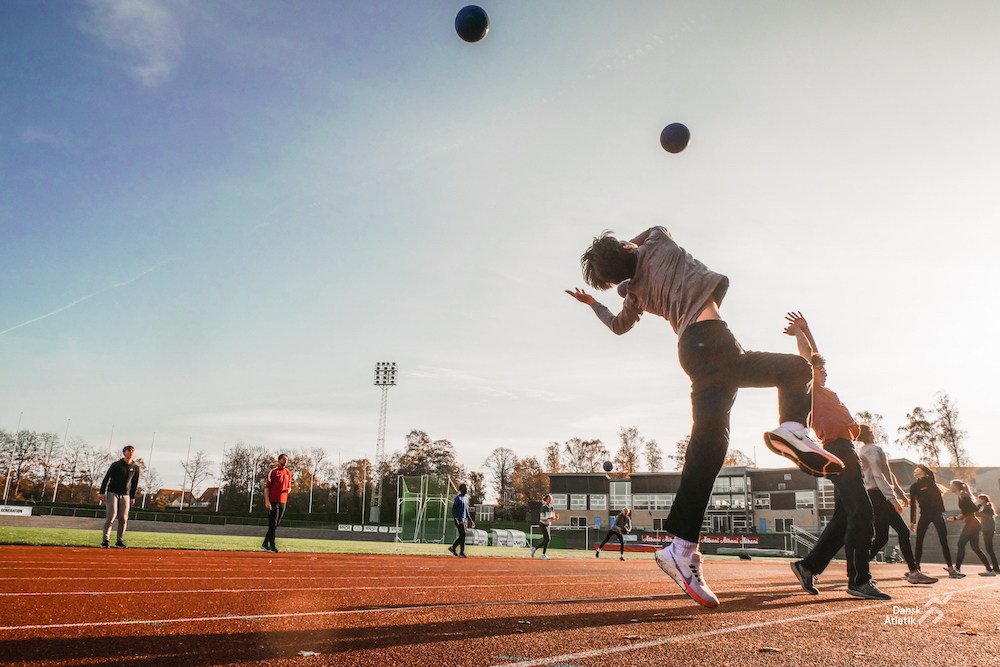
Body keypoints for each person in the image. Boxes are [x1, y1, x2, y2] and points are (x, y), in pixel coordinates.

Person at [567, 228, 842, 609]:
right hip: (711, 342)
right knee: (714, 440)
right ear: (628, 246)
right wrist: (625, 258)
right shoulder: (658, 243)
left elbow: (617, 325)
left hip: (711, 348)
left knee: (790, 374)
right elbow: (651, 229)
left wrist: (596, 302)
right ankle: (681, 547)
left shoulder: (634, 296)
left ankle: (793, 429)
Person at [783, 313, 889, 601]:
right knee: (863, 513)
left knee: (845, 517)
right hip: (838, 451)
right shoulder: (812, 390)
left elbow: (818, 360)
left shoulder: (826, 390)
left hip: (843, 451)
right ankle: (859, 581)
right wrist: (801, 332)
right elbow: (811, 359)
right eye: (820, 371)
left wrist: (807, 330)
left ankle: (808, 566)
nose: (825, 372)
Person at [858, 426, 937, 584]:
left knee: (881, 538)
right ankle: (914, 573)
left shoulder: (866, 450)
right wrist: (893, 499)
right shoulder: (872, 450)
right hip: (879, 495)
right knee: (903, 531)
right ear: (870, 433)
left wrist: (900, 493)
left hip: (876, 495)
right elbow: (879, 475)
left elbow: (888, 474)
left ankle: (858, 569)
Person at [909, 464, 958, 577]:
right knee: (919, 540)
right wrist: (913, 521)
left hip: (937, 514)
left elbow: (929, 471)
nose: (915, 471)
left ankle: (951, 569)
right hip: (925, 515)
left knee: (943, 540)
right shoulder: (914, 487)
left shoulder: (930, 480)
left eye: (917, 470)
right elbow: (913, 504)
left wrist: (919, 464)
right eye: (915, 471)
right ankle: (916, 569)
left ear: (923, 472)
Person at [99, 445, 140, 549]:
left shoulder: (135, 467)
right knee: (111, 516)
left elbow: (134, 483)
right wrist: (102, 492)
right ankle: (105, 540)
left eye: (132, 451)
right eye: (128, 451)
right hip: (113, 492)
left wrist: (132, 496)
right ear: (124, 452)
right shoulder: (116, 465)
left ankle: (119, 541)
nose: (130, 453)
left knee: (123, 518)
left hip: (125, 495)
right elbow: (107, 478)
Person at [947, 480, 991, 575]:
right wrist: (955, 518)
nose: (950, 487)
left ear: (957, 487)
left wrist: (980, 504)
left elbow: (973, 510)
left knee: (961, 544)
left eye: (952, 485)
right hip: (972, 523)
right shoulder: (962, 496)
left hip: (972, 523)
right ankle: (989, 570)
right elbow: (967, 512)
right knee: (975, 547)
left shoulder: (964, 497)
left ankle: (957, 569)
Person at [262, 453, 291, 553]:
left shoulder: (288, 473)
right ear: (279, 460)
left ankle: (265, 543)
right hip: (273, 501)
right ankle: (272, 546)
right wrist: (267, 501)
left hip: (283, 501)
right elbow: (267, 487)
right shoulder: (273, 472)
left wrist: (288, 490)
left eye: (286, 459)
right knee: (272, 524)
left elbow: (289, 486)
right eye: (283, 459)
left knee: (276, 524)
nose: (285, 461)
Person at [448, 483, 475, 558]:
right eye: (464, 488)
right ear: (461, 490)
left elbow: (467, 511)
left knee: (462, 536)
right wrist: (455, 518)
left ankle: (453, 548)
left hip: (464, 520)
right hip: (459, 519)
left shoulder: (466, 499)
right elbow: (454, 508)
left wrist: (471, 521)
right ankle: (461, 552)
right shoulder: (458, 498)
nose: (466, 490)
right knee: (463, 535)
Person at [976, 494, 999, 575]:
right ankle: (996, 567)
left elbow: (977, 514)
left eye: (980, 499)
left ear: (983, 500)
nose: (978, 501)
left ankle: (996, 567)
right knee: (989, 549)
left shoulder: (987, 508)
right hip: (988, 531)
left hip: (988, 531)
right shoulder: (987, 508)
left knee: (989, 549)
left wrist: (978, 506)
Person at [532, 493, 558, 560]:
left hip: (547, 525)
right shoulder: (544, 507)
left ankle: (535, 548)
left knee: (546, 539)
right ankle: (543, 554)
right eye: (549, 498)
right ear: (546, 499)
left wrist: (555, 518)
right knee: (548, 538)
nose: (550, 500)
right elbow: (542, 518)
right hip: (543, 524)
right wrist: (549, 519)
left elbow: (552, 517)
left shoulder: (551, 507)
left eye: (551, 499)